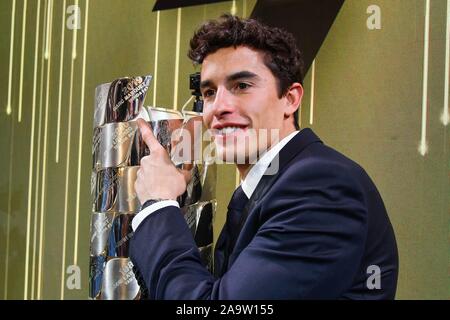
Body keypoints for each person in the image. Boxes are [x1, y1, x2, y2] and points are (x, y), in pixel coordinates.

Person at [130, 14, 398, 299]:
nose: (218, 107)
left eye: (242, 86)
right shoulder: (271, 183)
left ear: (290, 99)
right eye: (209, 92)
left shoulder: (321, 185)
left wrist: (158, 204)